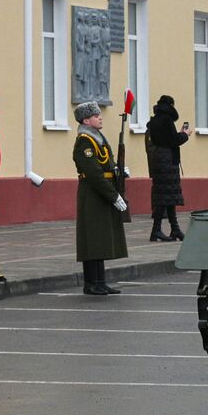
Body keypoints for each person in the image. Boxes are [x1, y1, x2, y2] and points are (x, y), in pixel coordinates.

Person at [73, 101, 128, 295]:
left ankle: (100, 281)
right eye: (96, 116)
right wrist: (114, 196)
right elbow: (94, 173)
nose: (100, 117)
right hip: (93, 193)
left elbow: (106, 162)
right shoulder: (84, 142)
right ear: (86, 120)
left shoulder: (98, 138)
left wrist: (118, 171)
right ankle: (91, 283)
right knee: (93, 239)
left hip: (101, 192)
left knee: (101, 238)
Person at [144, 95, 190, 242]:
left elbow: (163, 139)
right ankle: (156, 230)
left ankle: (174, 229)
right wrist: (185, 134)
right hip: (167, 160)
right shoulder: (167, 120)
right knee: (164, 198)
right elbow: (173, 140)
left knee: (167, 196)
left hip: (158, 158)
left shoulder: (154, 120)